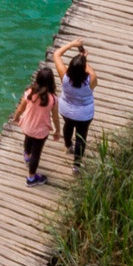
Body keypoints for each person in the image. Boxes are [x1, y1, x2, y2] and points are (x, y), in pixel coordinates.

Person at [11, 66, 59, 186]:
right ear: (51, 82)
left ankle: (27, 155)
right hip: (41, 131)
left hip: (27, 126)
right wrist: (57, 130)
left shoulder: (29, 93)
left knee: (28, 139)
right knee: (36, 153)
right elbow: (55, 117)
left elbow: (21, 108)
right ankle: (31, 178)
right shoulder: (52, 99)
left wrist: (16, 117)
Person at [53, 38, 97, 168]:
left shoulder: (64, 76)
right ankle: (76, 166)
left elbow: (56, 54)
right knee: (81, 137)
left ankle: (68, 145)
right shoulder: (91, 80)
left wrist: (72, 44)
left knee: (68, 124)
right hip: (84, 114)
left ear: (70, 67)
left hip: (66, 110)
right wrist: (84, 60)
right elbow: (91, 72)